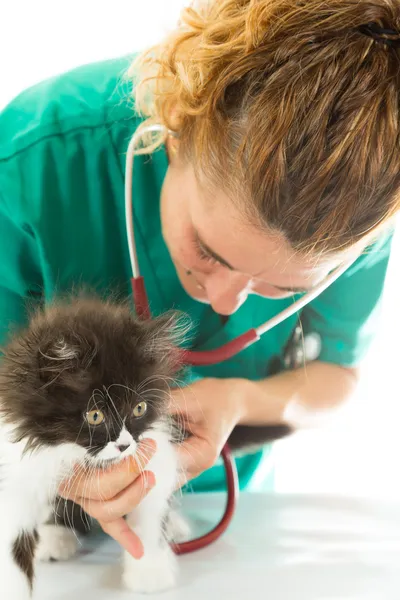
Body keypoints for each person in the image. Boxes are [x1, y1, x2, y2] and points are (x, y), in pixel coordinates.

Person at [1, 0, 399, 559]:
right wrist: (59, 468)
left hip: (231, 512)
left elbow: (336, 376)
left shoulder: (365, 211)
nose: (222, 301)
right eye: (207, 251)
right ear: (176, 131)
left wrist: (242, 398)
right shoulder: (32, 158)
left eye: (281, 289)